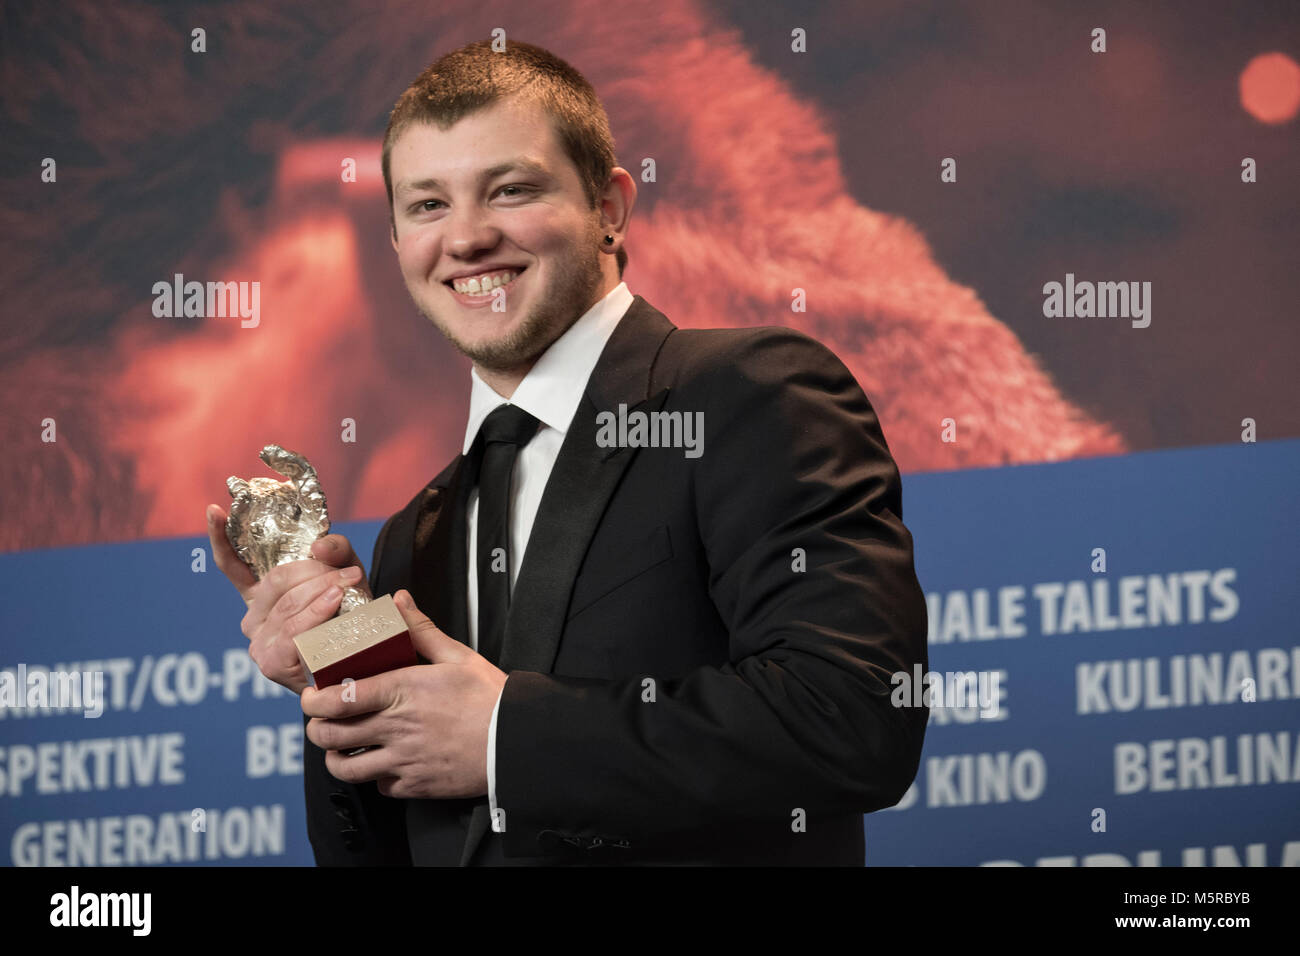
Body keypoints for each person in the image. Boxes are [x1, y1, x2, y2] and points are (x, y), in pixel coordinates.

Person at [207, 39, 928, 866]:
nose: (468, 237)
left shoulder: (747, 393)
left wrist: (505, 734)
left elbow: (853, 719)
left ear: (610, 208)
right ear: (397, 243)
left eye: (510, 190)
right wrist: (339, 674)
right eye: (427, 206)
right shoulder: (415, 533)